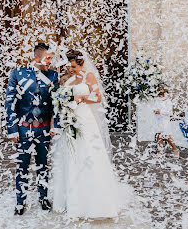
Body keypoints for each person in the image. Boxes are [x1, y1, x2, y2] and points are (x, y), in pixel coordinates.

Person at [52, 49, 131, 219]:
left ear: (81, 63)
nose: (70, 69)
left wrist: (80, 99)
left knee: (88, 155)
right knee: (71, 157)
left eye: (73, 66)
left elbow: (98, 98)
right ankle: (72, 200)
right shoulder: (65, 78)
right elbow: (59, 98)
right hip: (69, 121)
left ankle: (94, 201)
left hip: (85, 120)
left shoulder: (88, 76)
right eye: (68, 66)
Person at [5, 43, 60, 216]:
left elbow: (57, 103)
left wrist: (56, 125)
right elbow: (10, 102)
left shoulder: (53, 75)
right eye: (48, 58)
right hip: (23, 130)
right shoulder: (17, 74)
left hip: (44, 129)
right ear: (37, 57)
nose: (51, 61)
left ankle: (43, 197)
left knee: (43, 165)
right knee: (22, 166)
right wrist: (12, 128)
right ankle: (20, 201)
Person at [152, 86, 179, 159]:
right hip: (158, 120)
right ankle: (160, 151)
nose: (160, 96)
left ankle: (175, 149)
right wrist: (155, 111)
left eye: (161, 94)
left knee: (167, 136)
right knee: (159, 135)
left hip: (165, 120)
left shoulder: (168, 101)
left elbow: (170, 112)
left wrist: (160, 111)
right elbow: (154, 108)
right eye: (159, 94)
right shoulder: (157, 100)